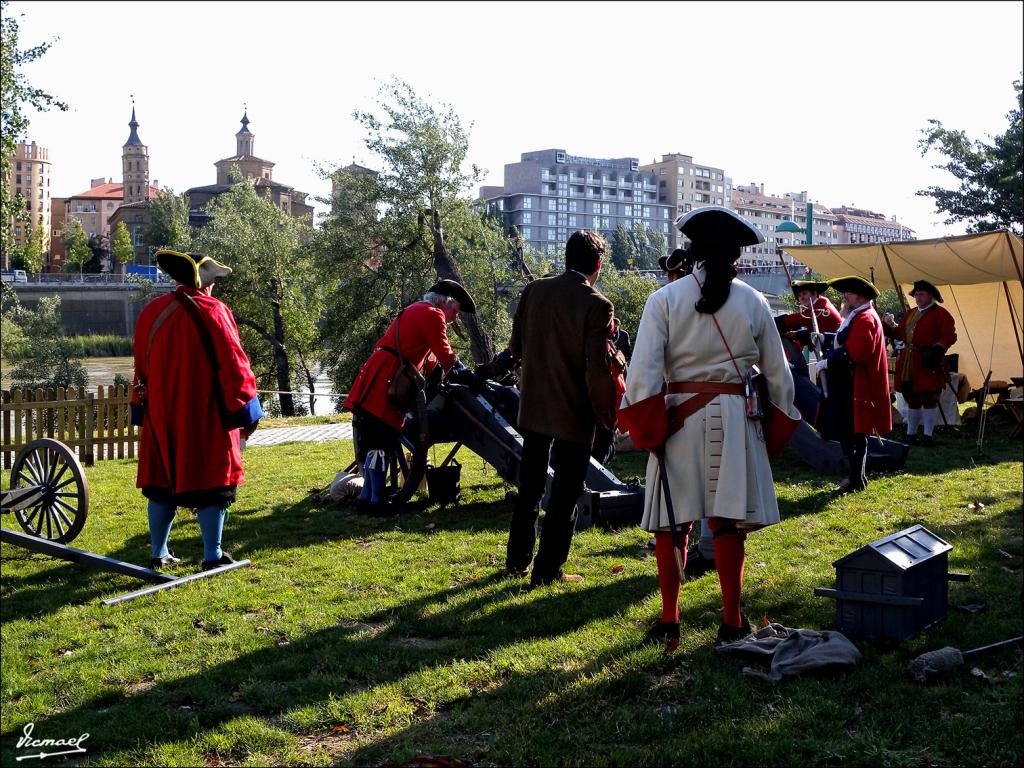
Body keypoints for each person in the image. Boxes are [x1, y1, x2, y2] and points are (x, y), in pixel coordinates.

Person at [619, 207, 799, 650]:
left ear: (693, 250)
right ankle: (733, 622)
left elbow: (641, 376)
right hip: (735, 420)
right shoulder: (755, 302)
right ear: (736, 254)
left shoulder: (664, 300)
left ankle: (669, 620)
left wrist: (647, 428)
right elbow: (780, 378)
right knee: (726, 524)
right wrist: (775, 428)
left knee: (671, 524)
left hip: (678, 418)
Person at [131, 249, 264, 571]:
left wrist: (141, 410)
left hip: (161, 415)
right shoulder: (215, 311)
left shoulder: (151, 311)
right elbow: (236, 365)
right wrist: (249, 409)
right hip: (206, 414)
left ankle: (159, 552)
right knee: (213, 483)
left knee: (161, 484)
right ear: (205, 282)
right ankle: (212, 555)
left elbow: (140, 366)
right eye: (213, 280)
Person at [503, 230, 617, 587]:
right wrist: (607, 417)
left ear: (566, 258)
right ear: (598, 264)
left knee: (530, 487)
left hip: (534, 406)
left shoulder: (534, 290)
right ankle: (548, 571)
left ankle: (517, 560)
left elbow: (516, 349)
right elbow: (597, 370)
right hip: (574, 413)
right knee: (566, 493)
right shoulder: (598, 305)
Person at [342, 280, 478, 515]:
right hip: (388, 378)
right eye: (455, 311)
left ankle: (367, 498)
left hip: (382, 371)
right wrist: (466, 375)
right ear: (446, 303)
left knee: (378, 439)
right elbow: (445, 353)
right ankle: (375, 501)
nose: (454, 318)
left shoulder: (416, 309)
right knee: (381, 441)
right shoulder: (433, 314)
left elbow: (427, 354)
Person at [816, 276, 892, 493]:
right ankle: (857, 478)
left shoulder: (866, 318)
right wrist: (825, 338)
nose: (844, 296)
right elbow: (847, 340)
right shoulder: (858, 315)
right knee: (850, 433)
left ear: (860, 296)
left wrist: (828, 361)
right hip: (850, 383)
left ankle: (856, 480)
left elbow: (856, 352)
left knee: (854, 434)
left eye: (848, 293)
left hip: (856, 385)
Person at [882, 280, 957, 446]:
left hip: (928, 361)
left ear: (930, 295)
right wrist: (884, 327)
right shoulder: (911, 314)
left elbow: (950, 335)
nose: (917, 297)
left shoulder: (941, 314)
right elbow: (899, 333)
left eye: (921, 294)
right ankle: (911, 434)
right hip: (908, 361)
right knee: (912, 398)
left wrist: (937, 349)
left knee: (929, 398)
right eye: (916, 294)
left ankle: (928, 436)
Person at [774, 280, 842, 352]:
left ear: (814, 293)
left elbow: (792, 320)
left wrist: (770, 322)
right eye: (799, 295)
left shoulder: (818, 308)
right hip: (832, 344)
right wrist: (795, 334)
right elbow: (813, 332)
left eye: (804, 293)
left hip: (836, 349)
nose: (801, 297)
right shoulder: (822, 301)